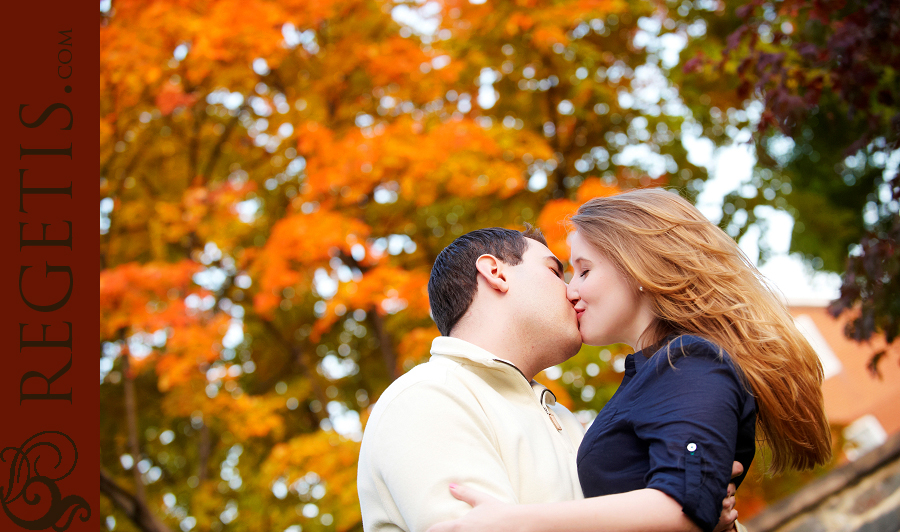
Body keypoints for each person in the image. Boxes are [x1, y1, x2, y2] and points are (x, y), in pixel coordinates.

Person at [426, 188, 833, 532]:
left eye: (583, 271)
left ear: (637, 266)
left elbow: (683, 505)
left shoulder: (690, 362)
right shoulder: (651, 376)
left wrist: (515, 521)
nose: (571, 291)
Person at [357, 225, 742, 532]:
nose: (574, 291)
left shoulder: (570, 423)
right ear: (495, 272)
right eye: (557, 271)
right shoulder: (428, 398)